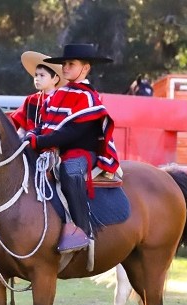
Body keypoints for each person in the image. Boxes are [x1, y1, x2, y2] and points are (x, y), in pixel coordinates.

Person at [23, 43, 119, 253]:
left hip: (81, 153)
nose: (65, 68)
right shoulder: (59, 93)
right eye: (64, 63)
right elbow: (47, 123)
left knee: (70, 172)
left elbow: (71, 134)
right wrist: (32, 134)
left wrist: (39, 142)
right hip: (56, 150)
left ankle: (82, 231)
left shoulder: (88, 97)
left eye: (71, 64)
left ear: (85, 68)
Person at [9, 51, 65, 137]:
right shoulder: (31, 99)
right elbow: (21, 125)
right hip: (28, 142)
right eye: (36, 75)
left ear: (55, 79)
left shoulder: (62, 100)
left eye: (42, 75)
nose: (37, 79)